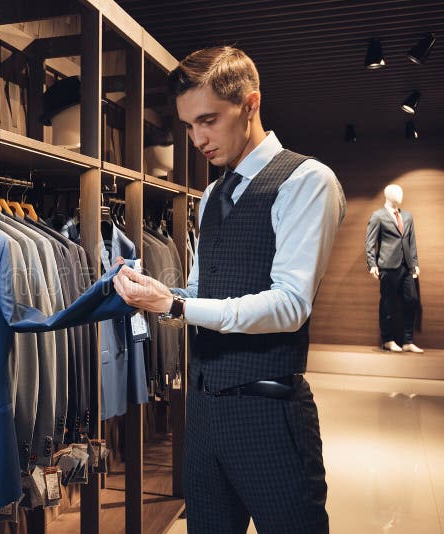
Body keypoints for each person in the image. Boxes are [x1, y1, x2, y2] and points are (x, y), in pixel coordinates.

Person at [112, 46, 345, 533]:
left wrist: (176, 303)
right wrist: (160, 292)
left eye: (208, 121)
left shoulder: (307, 181)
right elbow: (201, 291)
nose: (197, 139)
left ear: (251, 104)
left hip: (270, 414)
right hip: (202, 414)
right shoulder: (214, 195)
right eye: (189, 126)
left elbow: (290, 305)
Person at [365, 184, 422, 353]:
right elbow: (370, 242)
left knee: (411, 300)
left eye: (401, 191)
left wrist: (415, 263)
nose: (400, 194)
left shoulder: (407, 216)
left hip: (406, 266)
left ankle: (408, 340)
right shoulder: (378, 216)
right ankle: (387, 339)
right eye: (396, 192)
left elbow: (412, 242)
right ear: (387, 195)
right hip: (388, 266)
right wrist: (372, 264)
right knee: (387, 304)